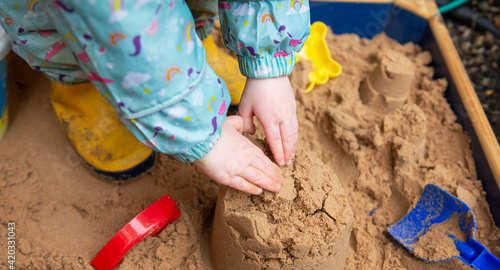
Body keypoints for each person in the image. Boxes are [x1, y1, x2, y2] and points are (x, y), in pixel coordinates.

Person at [0, 0, 310, 194]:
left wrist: (268, 60)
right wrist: (199, 133)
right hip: (87, 17)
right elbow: (120, 24)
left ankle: (193, 50)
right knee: (75, 44)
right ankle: (82, 89)